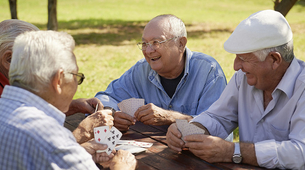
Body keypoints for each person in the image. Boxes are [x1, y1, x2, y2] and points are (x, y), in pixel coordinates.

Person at [166, 10, 305, 169]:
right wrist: (187, 130)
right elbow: (218, 117)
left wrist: (234, 151)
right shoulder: (244, 77)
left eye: (244, 59)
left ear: (274, 60)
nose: (235, 66)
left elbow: (301, 152)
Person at [0, 30, 136, 169]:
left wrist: (80, 152)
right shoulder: (52, 138)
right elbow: (52, 148)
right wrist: (122, 165)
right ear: (58, 80)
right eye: (76, 77)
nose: (76, 84)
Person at [95, 14, 228, 134]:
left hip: (198, 157)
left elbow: (217, 127)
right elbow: (104, 97)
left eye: (156, 42)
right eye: (144, 43)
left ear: (181, 44)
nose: (148, 50)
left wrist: (170, 117)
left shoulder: (209, 71)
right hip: (153, 156)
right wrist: (112, 114)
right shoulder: (141, 70)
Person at [0, 19, 111, 145]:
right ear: (9, 59)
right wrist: (82, 132)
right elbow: (39, 150)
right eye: (38, 56)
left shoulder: (13, 87)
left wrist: (70, 107)